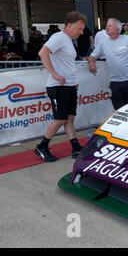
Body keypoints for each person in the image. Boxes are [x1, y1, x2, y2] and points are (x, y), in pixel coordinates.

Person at [34, 11, 86, 162]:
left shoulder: (68, 40)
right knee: (60, 119)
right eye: (79, 28)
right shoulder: (58, 37)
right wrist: (55, 74)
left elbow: (66, 63)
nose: (81, 32)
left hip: (69, 86)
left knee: (70, 118)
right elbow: (43, 53)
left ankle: (75, 147)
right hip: (58, 87)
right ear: (69, 25)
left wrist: (73, 81)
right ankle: (42, 147)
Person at [88, 18, 128, 110]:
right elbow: (92, 56)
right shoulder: (103, 43)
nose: (107, 28)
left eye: (110, 26)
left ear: (118, 28)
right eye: (107, 26)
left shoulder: (127, 39)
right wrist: (91, 63)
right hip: (115, 82)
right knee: (119, 111)